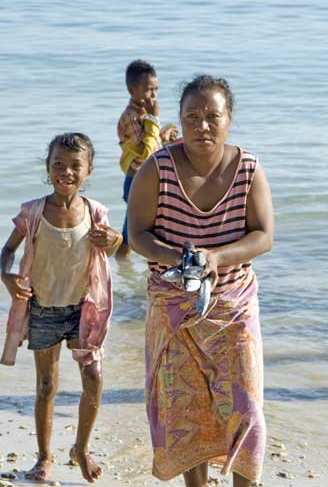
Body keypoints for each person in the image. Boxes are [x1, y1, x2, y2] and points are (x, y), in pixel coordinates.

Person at [127, 75, 274, 487]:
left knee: (246, 408)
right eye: (192, 116)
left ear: (229, 119)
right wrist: (177, 257)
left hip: (234, 304)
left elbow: (264, 234)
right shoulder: (158, 168)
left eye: (213, 116)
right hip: (174, 306)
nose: (202, 126)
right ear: (180, 120)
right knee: (187, 408)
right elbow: (137, 234)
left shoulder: (247, 168)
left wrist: (217, 258)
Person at [0, 133, 122, 483]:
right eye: (58, 165)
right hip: (43, 308)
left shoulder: (95, 212)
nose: (65, 172)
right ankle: (43, 456)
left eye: (74, 166)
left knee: (94, 379)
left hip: (83, 309)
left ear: (89, 170)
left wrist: (115, 240)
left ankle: (81, 448)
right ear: (48, 168)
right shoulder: (34, 212)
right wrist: (6, 276)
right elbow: (7, 250)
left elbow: (112, 248)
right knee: (45, 385)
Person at [116, 59, 178, 259]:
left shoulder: (144, 115)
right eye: (148, 90)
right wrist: (154, 119)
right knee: (131, 234)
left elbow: (150, 143)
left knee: (153, 228)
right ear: (132, 90)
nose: (154, 95)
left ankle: (138, 272)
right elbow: (144, 153)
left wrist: (163, 135)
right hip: (136, 180)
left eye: (156, 89)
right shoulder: (130, 118)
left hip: (149, 178)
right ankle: (122, 267)